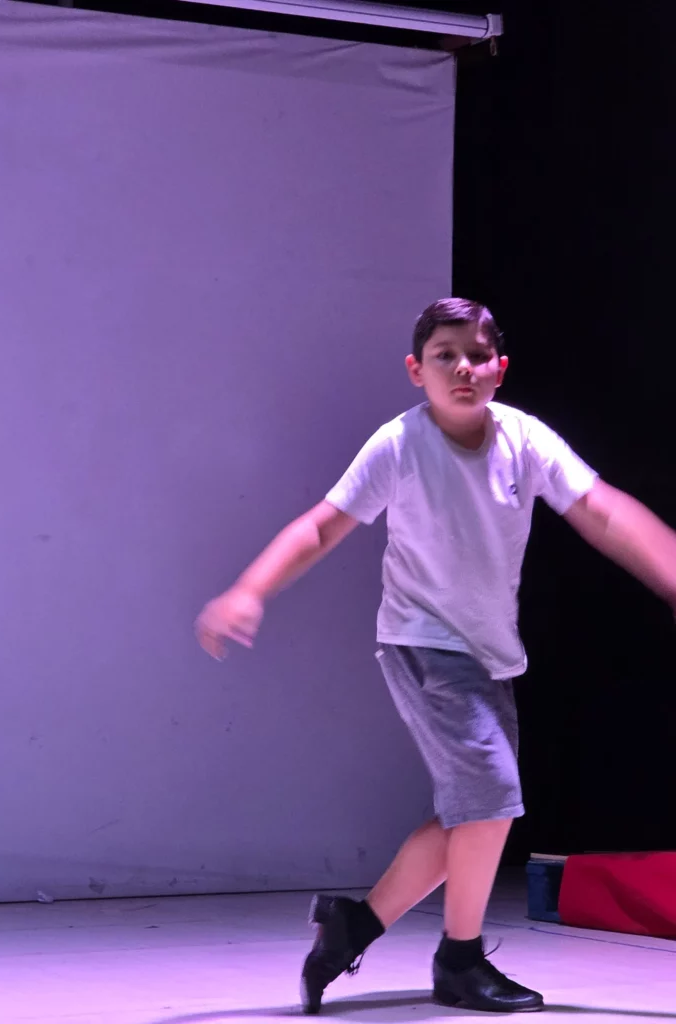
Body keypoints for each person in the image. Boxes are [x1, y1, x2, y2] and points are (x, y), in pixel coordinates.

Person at [195, 298, 676, 1014]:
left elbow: (601, 509)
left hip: (488, 654)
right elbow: (323, 526)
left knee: (474, 814)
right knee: (492, 795)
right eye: (445, 356)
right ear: (416, 371)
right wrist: (249, 589)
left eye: (477, 355)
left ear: (499, 368)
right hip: (422, 643)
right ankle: (460, 960)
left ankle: (353, 926)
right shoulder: (399, 445)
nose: (463, 368)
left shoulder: (524, 439)